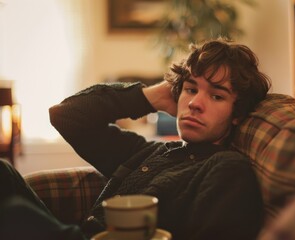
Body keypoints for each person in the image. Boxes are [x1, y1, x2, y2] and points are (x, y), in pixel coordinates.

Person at [0, 38, 271, 240]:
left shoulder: (227, 168)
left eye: (216, 95)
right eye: (190, 89)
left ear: (238, 113)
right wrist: (149, 97)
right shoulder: (147, 153)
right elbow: (66, 116)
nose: (194, 103)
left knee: (15, 215)